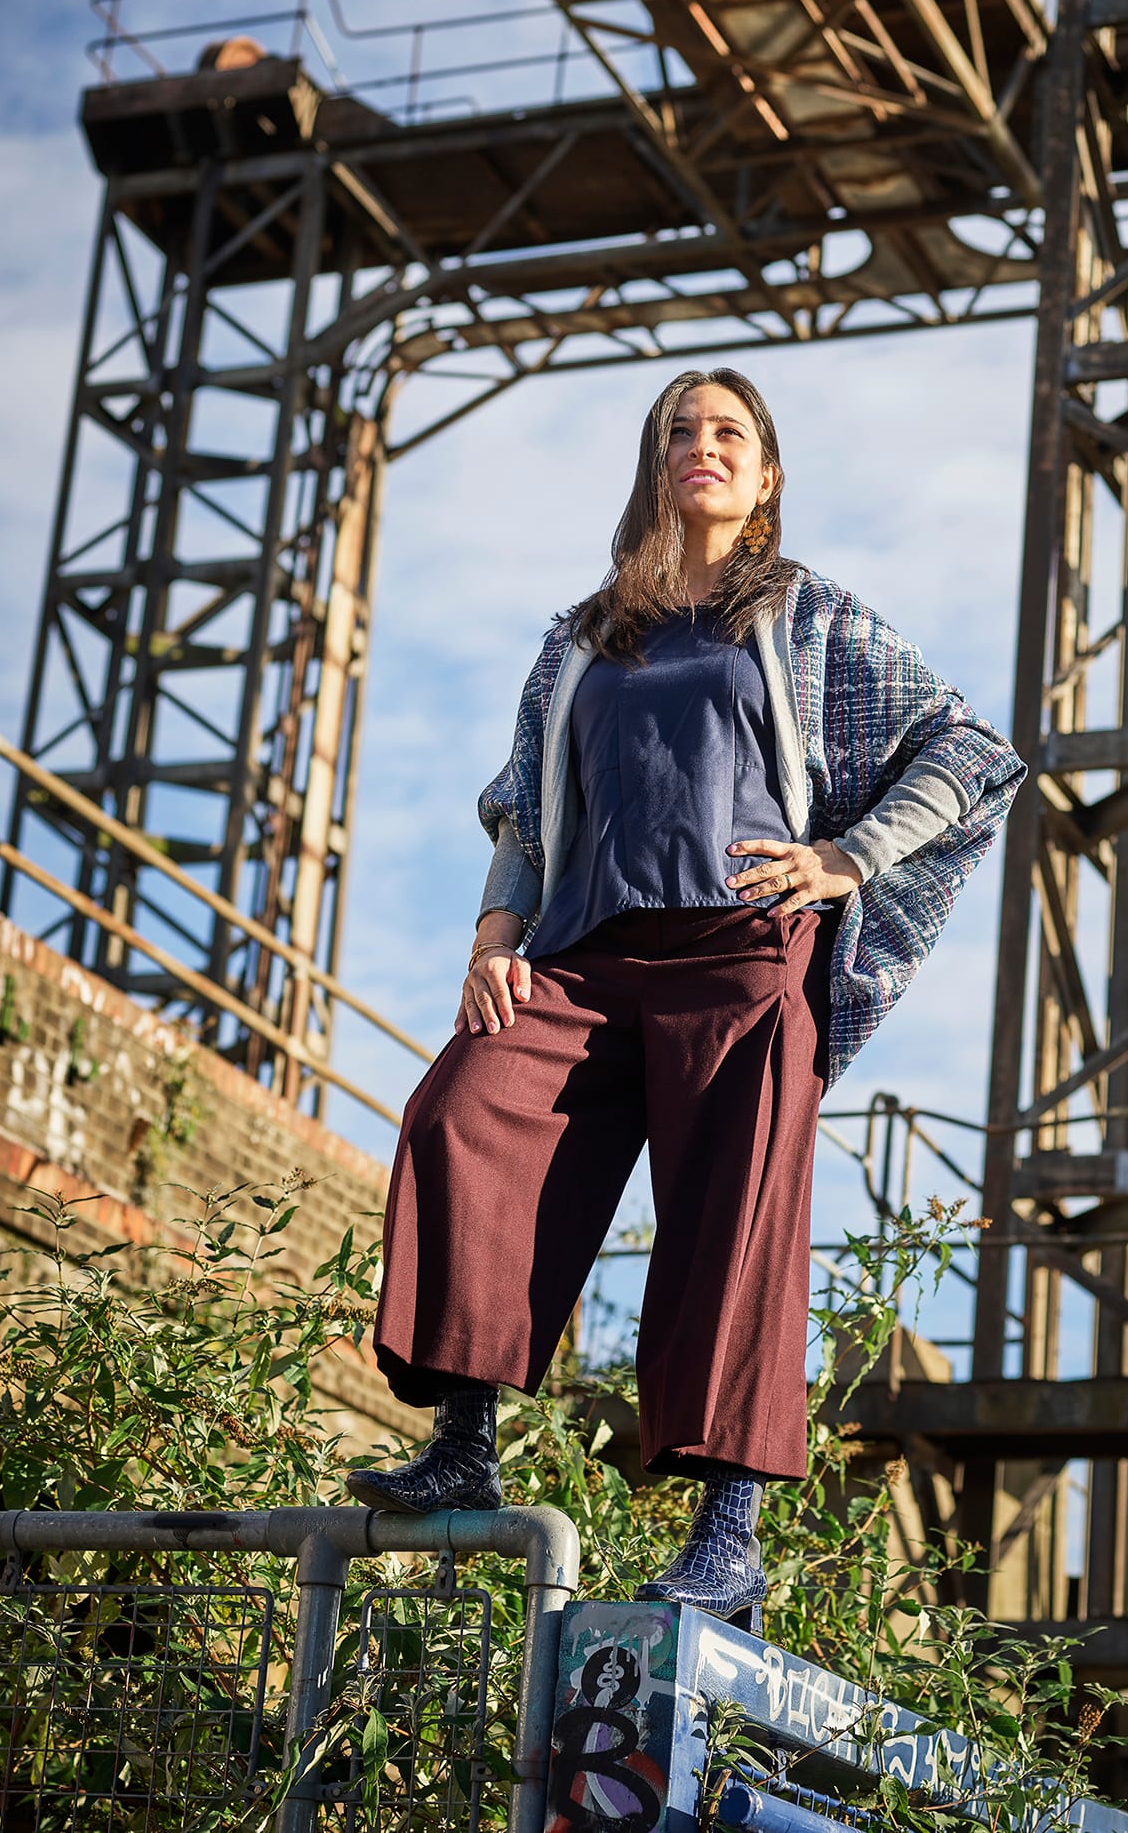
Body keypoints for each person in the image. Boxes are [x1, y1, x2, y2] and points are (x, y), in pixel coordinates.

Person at [348, 367, 1025, 1624]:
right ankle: (464, 1441)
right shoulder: (582, 636)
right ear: (653, 466)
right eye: (677, 433)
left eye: (727, 434)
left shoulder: (810, 618)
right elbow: (527, 814)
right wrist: (497, 936)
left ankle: (728, 1536)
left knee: (731, 1221)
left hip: (741, 955)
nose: (698, 449)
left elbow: (971, 750)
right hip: (583, 960)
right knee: (464, 1116)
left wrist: (843, 860)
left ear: (765, 479)